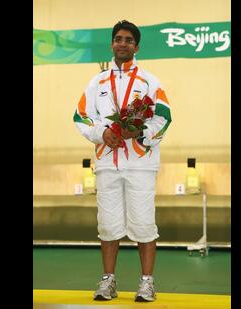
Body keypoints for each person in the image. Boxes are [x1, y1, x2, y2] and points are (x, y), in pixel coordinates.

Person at [73, 20, 172, 302]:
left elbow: (163, 117)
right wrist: (101, 133)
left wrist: (140, 132)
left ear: (136, 46)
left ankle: (147, 282)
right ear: (112, 44)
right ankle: (108, 281)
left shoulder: (150, 81)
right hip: (107, 162)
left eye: (129, 40)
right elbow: (81, 116)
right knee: (107, 224)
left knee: (143, 224)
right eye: (118, 39)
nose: (123, 43)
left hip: (141, 162)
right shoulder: (97, 82)